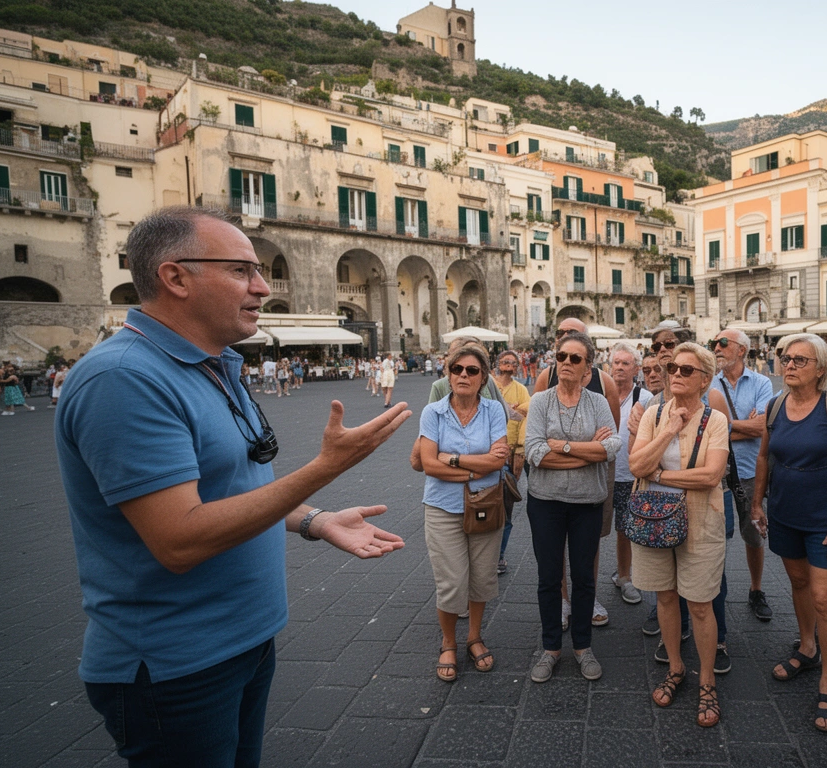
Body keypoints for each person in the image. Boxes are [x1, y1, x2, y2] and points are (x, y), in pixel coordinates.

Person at [56, 207, 413, 766]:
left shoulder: (211, 363)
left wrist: (313, 519)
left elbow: (224, 490)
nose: (263, 286)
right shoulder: (123, 379)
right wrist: (326, 467)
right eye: (242, 270)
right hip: (177, 663)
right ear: (176, 278)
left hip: (241, 641)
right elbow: (180, 539)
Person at [753, 334, 827, 732]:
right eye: (786, 358)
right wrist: (756, 503)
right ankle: (807, 646)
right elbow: (765, 458)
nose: (789, 365)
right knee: (799, 582)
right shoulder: (774, 406)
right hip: (785, 514)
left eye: (800, 360)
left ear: (821, 369)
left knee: (824, 598)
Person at [629, 342, 731, 727]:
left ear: (704, 379)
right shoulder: (656, 415)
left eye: (686, 371)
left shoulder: (715, 420)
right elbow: (635, 463)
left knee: (701, 604)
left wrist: (659, 475)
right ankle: (675, 667)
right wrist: (669, 429)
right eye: (672, 369)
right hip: (654, 517)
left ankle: (706, 680)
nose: (675, 375)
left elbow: (711, 476)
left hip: (701, 522)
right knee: (666, 598)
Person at [524, 330, 619, 683]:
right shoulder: (540, 402)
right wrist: (584, 453)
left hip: (586, 503)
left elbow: (612, 447)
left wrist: (560, 448)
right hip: (545, 502)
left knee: (583, 578)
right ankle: (550, 647)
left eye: (574, 359)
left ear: (587, 370)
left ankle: (582, 645)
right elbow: (534, 452)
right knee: (549, 578)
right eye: (560, 357)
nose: (565, 363)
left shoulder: (596, 403)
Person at [417, 344, 510, 682]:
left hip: (485, 503)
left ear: (483, 377)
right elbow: (428, 463)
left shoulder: (494, 411)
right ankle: (448, 641)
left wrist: (452, 460)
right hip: (443, 507)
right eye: (457, 369)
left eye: (472, 371)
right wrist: (476, 470)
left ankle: (474, 636)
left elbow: (499, 461)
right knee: (452, 581)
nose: (464, 376)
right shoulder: (434, 412)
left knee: (482, 577)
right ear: (449, 374)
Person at [709, 329, 776, 629]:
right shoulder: (708, 381)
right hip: (717, 472)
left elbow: (765, 427)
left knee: (753, 534)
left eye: (723, 343)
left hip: (750, 469)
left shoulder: (762, 382)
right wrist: (744, 424)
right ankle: (712, 591)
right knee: (714, 537)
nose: (716, 348)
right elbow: (703, 423)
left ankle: (756, 588)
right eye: (714, 344)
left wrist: (723, 423)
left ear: (742, 351)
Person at [608, 342, 652, 604]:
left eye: (626, 363)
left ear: (636, 369)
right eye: (617, 363)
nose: (620, 368)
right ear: (609, 366)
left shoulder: (643, 398)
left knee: (625, 529)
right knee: (595, 530)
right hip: (603, 473)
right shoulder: (602, 394)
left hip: (629, 474)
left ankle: (625, 576)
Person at [493, 350, 530, 574]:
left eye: (513, 363)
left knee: (506, 508)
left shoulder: (521, 390)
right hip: (487, 453)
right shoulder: (488, 385)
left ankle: (499, 555)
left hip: (510, 454)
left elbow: (525, 419)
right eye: (505, 361)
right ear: (497, 364)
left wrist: (519, 452)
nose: (509, 365)